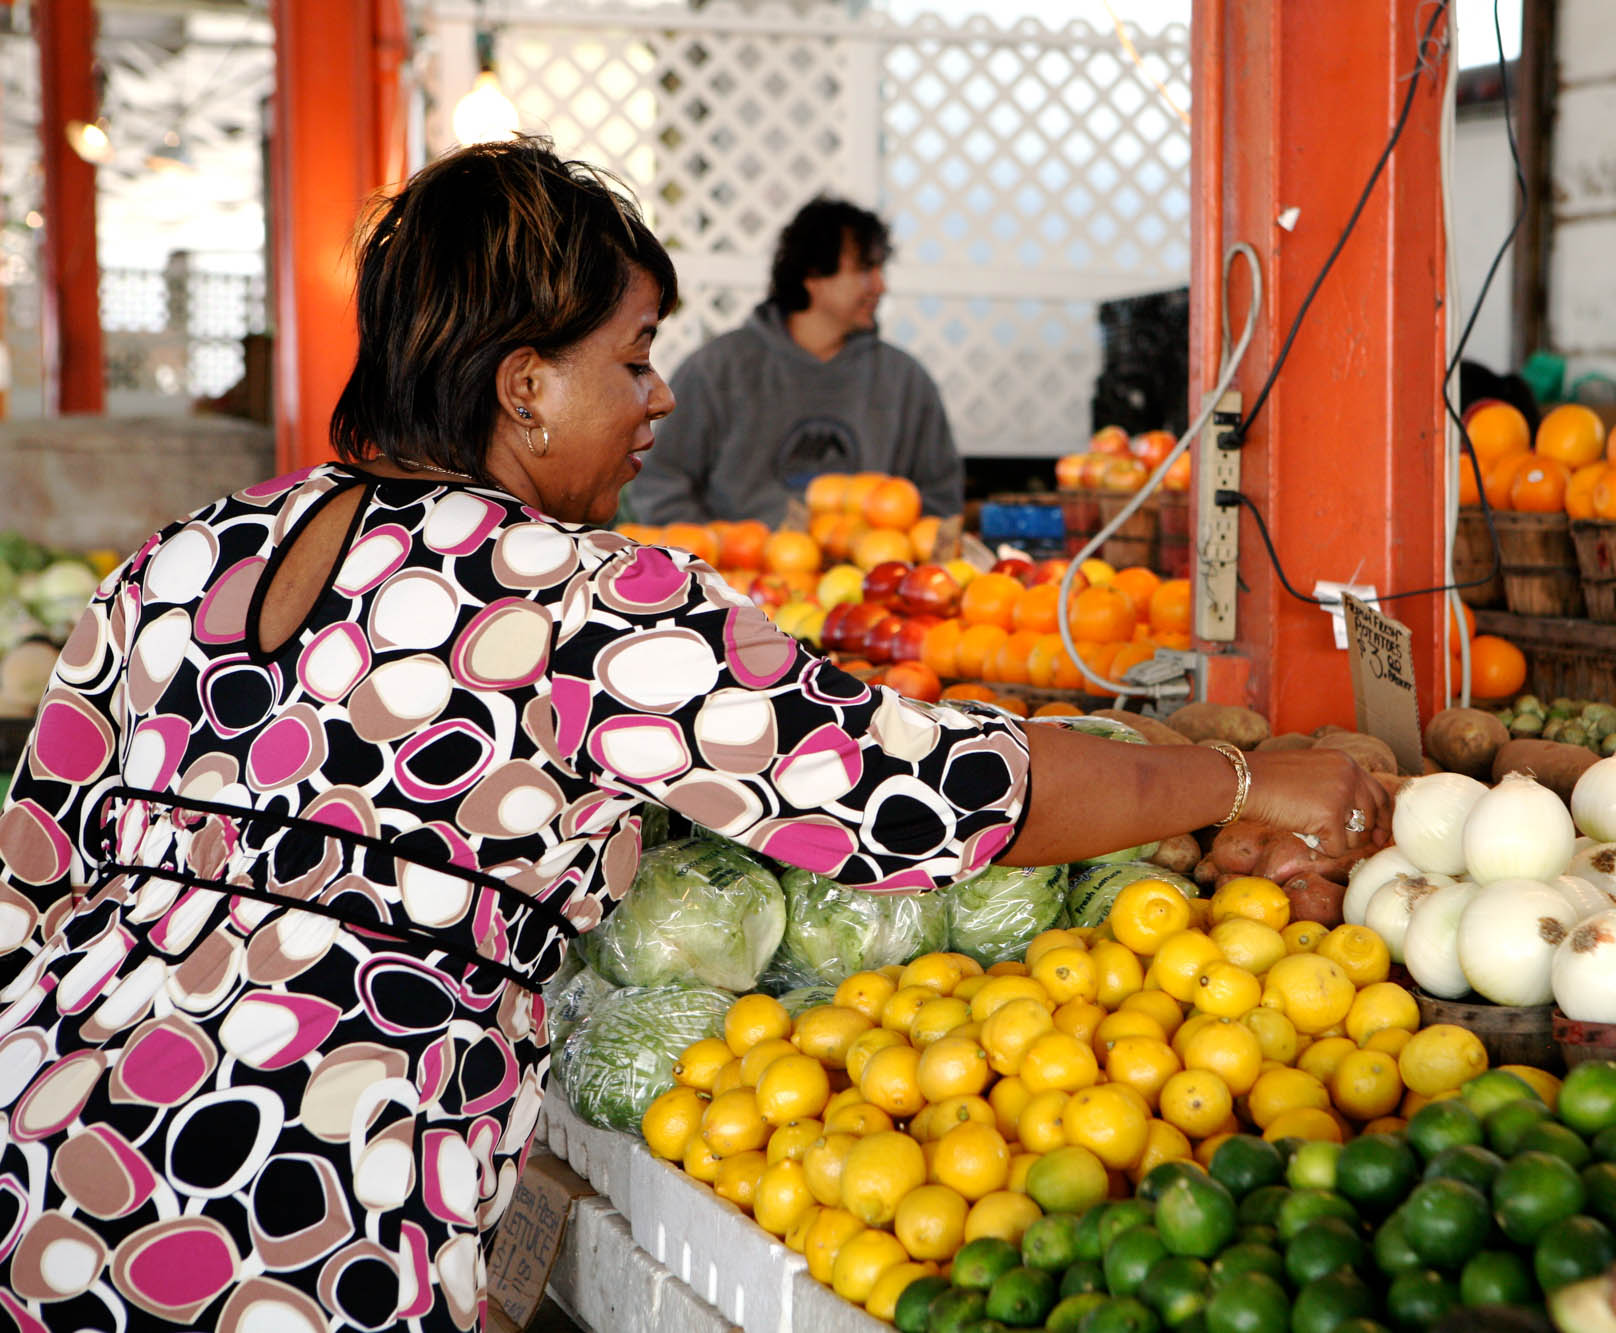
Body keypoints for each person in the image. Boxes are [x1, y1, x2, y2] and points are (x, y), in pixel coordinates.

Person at [0, 139, 1385, 1332]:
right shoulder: (584, 605)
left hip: (37, 1158)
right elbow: (931, 793)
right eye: (636, 356)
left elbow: (31, 879)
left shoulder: (179, 561)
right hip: (293, 1205)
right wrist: (1244, 776)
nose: (661, 395)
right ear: (523, 385)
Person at [625, 194, 964, 526]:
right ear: (813, 273)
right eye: (865, 268)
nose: (880, 285)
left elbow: (940, 499)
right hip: (734, 578)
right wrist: (713, 560)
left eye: (880, 268)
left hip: (875, 579)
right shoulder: (719, 369)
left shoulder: (905, 380)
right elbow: (661, 483)